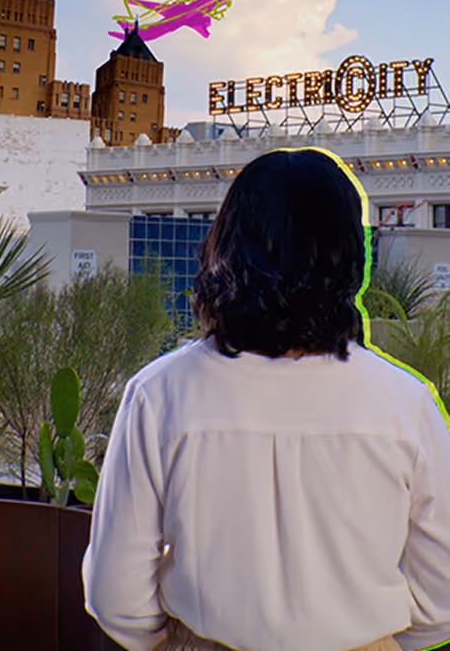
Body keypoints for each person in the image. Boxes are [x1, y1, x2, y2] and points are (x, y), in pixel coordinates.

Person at [83, 147, 450, 651]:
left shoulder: (158, 393)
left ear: (225, 249)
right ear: (350, 257)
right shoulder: (407, 403)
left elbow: (116, 595)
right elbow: (440, 599)